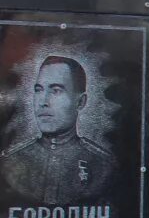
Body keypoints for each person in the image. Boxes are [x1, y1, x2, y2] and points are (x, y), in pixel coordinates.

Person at [2, 55, 114, 204]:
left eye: (56, 91)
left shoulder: (103, 165)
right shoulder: (11, 162)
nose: (43, 102)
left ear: (80, 102)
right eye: (39, 90)